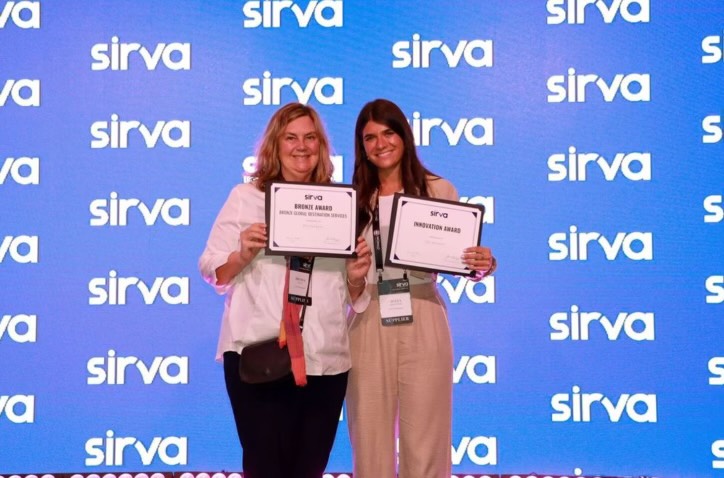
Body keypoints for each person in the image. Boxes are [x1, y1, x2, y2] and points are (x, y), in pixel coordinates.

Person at [198, 102, 372, 478]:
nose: (301, 146)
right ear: (274, 146)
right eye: (291, 138)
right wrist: (242, 253)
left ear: (321, 147)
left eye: (311, 138)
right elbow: (213, 269)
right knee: (264, 469)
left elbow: (353, 291)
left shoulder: (340, 205)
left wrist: (357, 275)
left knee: (309, 470)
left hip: (324, 358)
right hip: (257, 352)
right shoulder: (245, 198)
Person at [346, 98, 497, 478]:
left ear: (404, 135)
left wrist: (482, 264)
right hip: (367, 316)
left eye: (388, 133)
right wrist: (354, 278)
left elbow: (461, 258)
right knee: (369, 441)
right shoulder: (351, 200)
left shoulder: (438, 189)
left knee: (427, 441)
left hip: (423, 309)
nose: (380, 144)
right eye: (369, 138)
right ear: (361, 147)